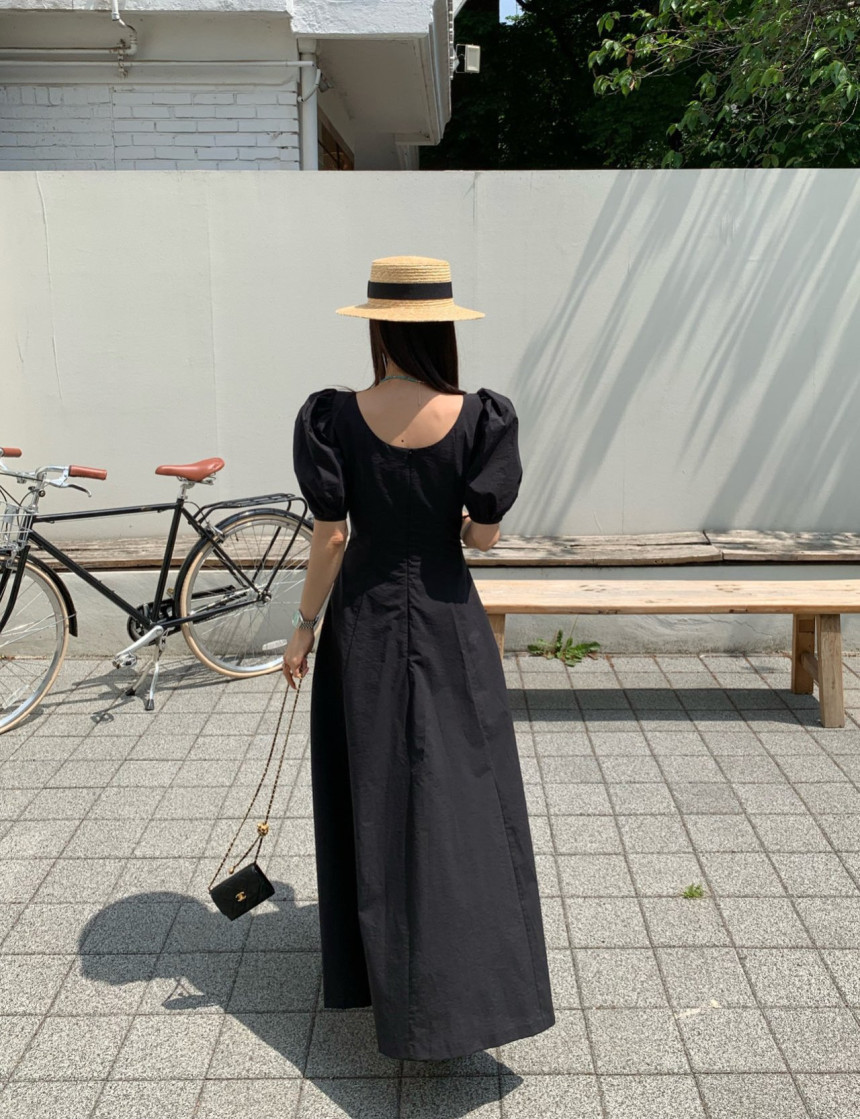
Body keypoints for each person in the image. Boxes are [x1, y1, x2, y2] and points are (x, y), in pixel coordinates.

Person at [282, 255, 555, 1062]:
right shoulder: (479, 416)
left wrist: (303, 625)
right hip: (446, 619)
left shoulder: (333, 416)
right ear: (442, 328)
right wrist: (457, 518)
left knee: (371, 786)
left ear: (377, 327)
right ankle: (473, 978)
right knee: (463, 792)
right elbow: (483, 536)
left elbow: (332, 536)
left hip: (364, 618)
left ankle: (378, 970)